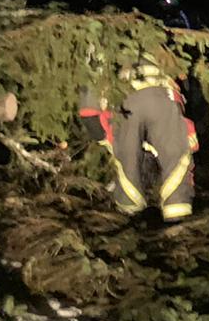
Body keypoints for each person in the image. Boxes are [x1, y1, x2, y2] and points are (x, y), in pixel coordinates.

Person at [78, 56, 199, 222]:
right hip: (164, 96)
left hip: (124, 101)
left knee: (127, 161)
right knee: (176, 156)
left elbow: (88, 107)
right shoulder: (159, 42)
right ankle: (179, 216)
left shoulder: (102, 44)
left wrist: (103, 138)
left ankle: (129, 213)